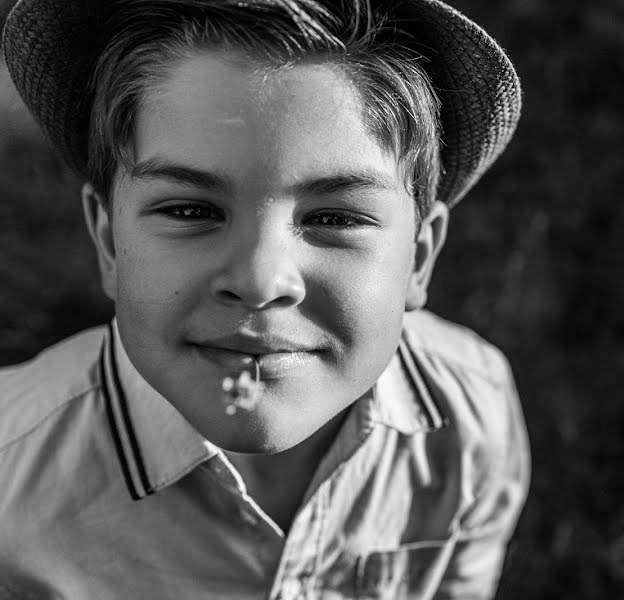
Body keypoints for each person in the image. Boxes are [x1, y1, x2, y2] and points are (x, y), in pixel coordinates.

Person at [0, 0, 530, 597]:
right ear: (110, 243)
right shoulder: (11, 487)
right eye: (191, 210)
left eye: (334, 216)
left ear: (419, 257)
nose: (258, 281)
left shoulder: (472, 413)